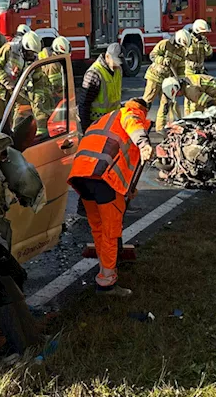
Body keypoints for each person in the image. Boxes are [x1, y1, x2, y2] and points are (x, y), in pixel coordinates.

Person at [67, 97, 153, 297]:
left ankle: (106, 265)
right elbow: (133, 122)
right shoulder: (132, 113)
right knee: (111, 231)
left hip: (82, 176)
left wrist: (127, 190)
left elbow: (121, 158)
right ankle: (107, 283)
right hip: (103, 178)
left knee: (98, 227)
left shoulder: (107, 119)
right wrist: (144, 144)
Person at [0, 32, 42, 129]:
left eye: (34, 53)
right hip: (0, 91)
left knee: (25, 114)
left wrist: (39, 98)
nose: (31, 56)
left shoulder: (35, 59)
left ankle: (17, 136)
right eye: (30, 53)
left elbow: (38, 81)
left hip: (18, 92)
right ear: (24, 48)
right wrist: (6, 81)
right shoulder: (9, 48)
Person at [144, 29, 191, 132]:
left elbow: (181, 67)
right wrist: (162, 60)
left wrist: (180, 78)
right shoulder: (164, 44)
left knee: (166, 104)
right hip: (155, 77)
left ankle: (160, 129)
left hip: (167, 81)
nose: (181, 48)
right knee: (147, 101)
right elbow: (152, 55)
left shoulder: (182, 51)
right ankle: (140, 123)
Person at [78, 43, 123, 132]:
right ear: (107, 57)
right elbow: (84, 104)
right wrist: (86, 129)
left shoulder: (118, 70)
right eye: (115, 62)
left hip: (113, 122)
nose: (117, 65)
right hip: (97, 124)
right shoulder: (94, 73)